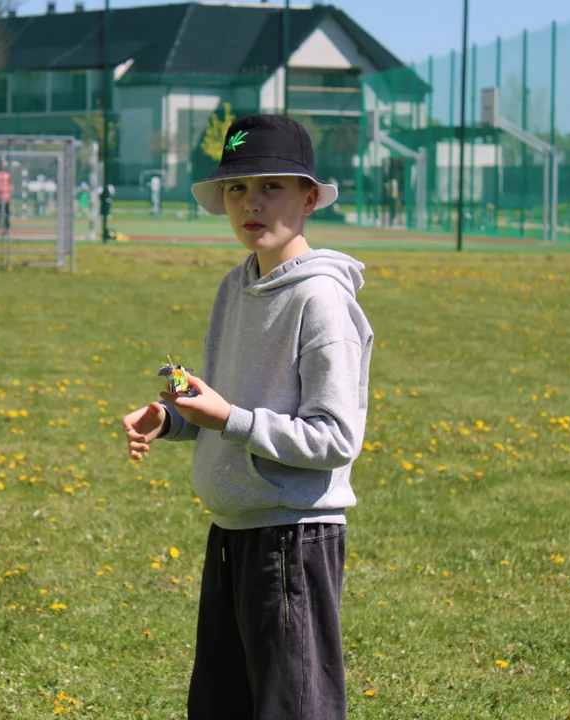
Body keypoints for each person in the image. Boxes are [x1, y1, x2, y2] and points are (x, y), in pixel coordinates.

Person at [121, 114, 374, 720]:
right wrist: (172, 416)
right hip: (232, 530)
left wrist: (229, 417)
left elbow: (336, 438)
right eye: (237, 188)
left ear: (310, 197)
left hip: (294, 536)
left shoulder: (322, 299)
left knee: (292, 707)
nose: (250, 203)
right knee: (221, 705)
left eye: (271, 186)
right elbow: (229, 401)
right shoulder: (235, 288)